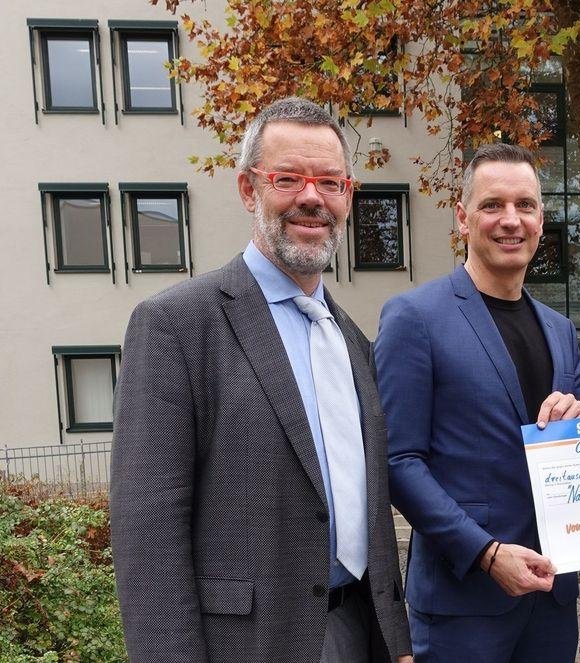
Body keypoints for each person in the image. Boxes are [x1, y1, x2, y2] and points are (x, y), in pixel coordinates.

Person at [110, 97, 412, 663]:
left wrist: (394, 639)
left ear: (348, 195)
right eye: (288, 178)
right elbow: (147, 531)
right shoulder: (176, 325)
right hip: (244, 646)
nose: (311, 198)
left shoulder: (350, 339)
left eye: (330, 182)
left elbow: (367, 508)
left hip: (355, 633)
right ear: (249, 189)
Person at [374, 143, 580, 663]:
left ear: (542, 218)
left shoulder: (561, 331)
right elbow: (397, 461)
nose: (511, 220)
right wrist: (486, 554)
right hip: (463, 602)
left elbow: (578, 454)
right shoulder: (414, 318)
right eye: (493, 205)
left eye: (526, 206)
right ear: (463, 217)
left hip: (553, 600)